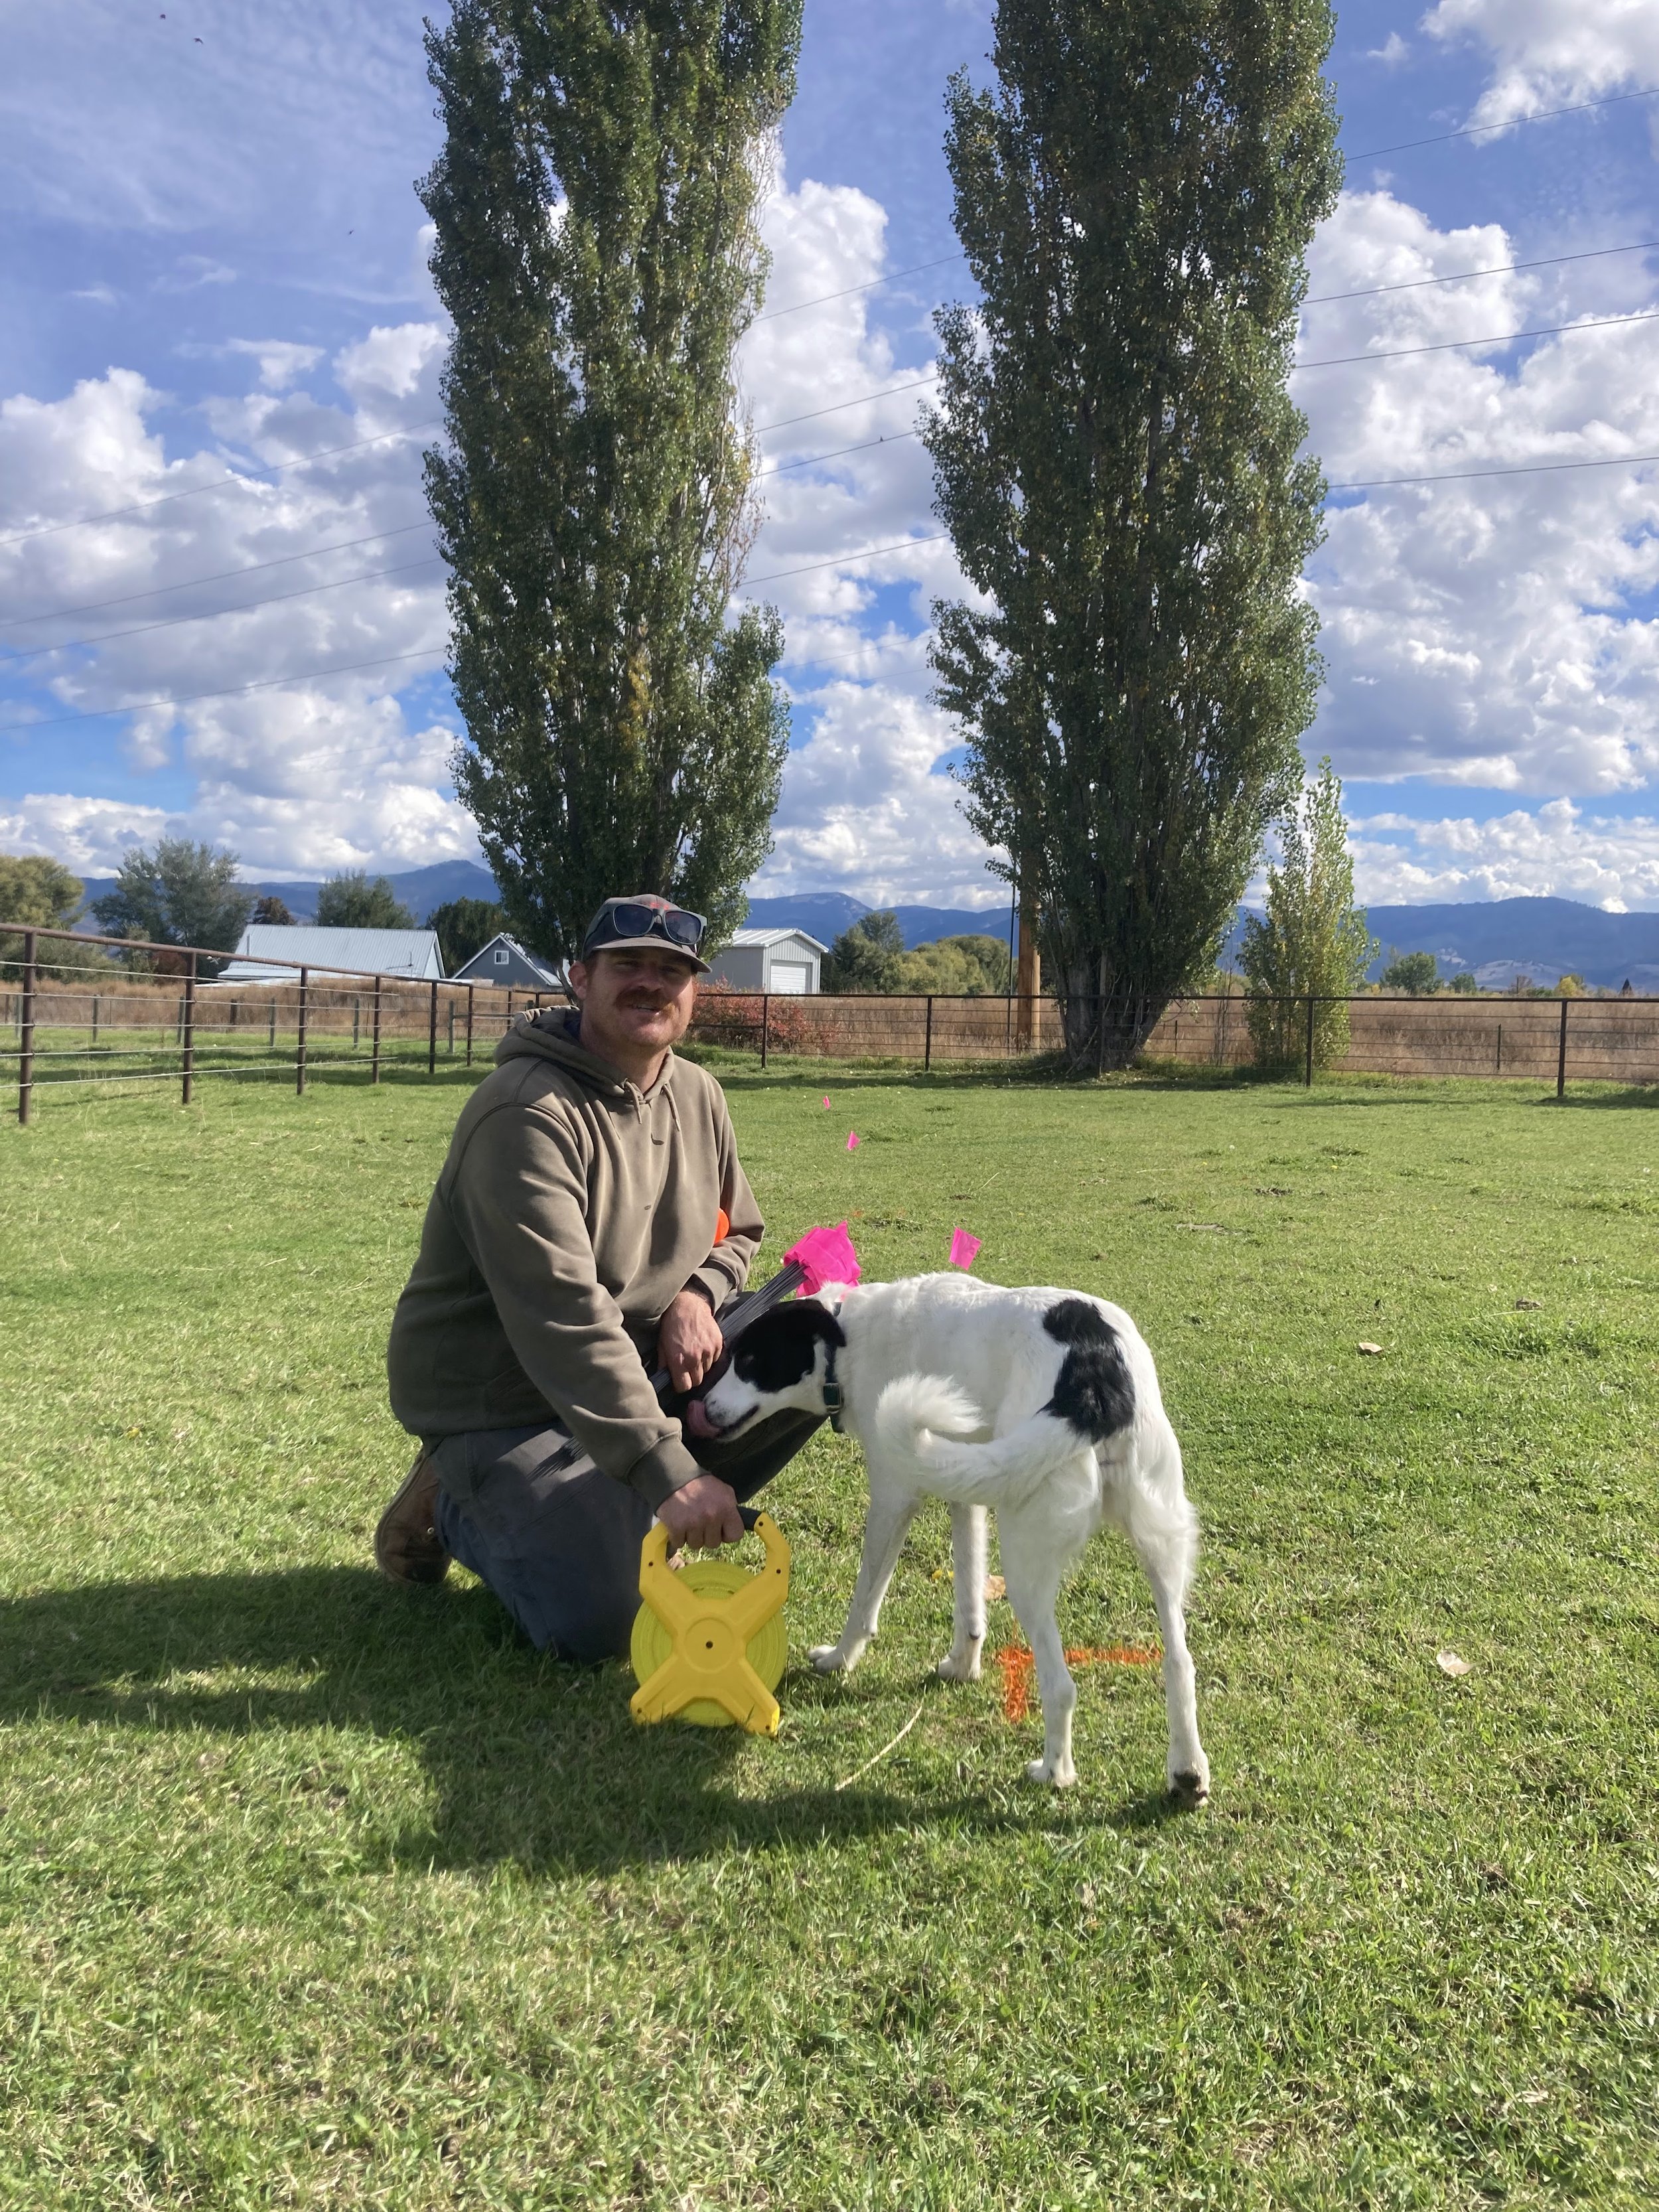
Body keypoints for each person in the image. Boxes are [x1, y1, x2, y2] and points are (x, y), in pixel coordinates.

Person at [376, 893, 820, 1659]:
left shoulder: (699, 1094)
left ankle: (630, 1503)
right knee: (609, 1621)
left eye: (672, 970)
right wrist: (669, 1473)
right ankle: (451, 1498)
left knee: (812, 1348)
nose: (651, 984)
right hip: (507, 1396)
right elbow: (563, 1320)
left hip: (642, 1366)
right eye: (629, 966)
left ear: (694, 993)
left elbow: (739, 1231)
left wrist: (696, 1295)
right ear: (579, 978)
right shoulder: (524, 1114)